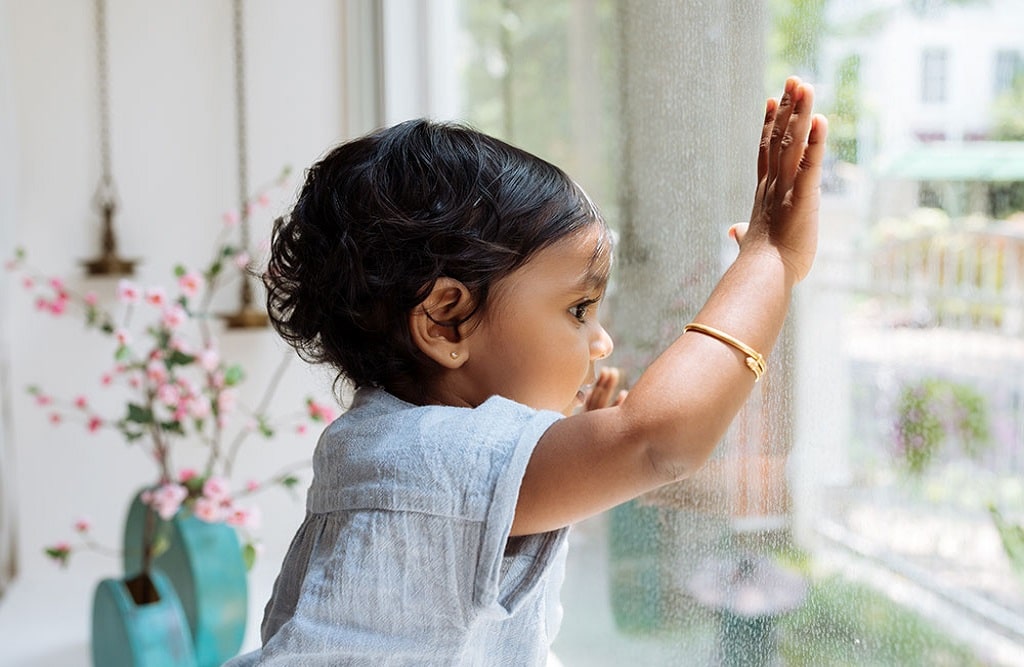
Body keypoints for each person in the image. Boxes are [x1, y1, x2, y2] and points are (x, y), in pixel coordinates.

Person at [226, 76, 827, 666]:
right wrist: (770, 258)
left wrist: (573, 448)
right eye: (578, 310)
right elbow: (660, 438)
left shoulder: (387, 444)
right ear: (446, 322)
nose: (601, 342)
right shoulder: (425, 455)